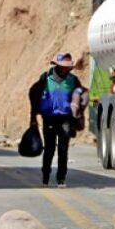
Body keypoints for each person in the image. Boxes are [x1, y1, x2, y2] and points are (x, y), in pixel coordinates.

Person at [29, 52, 83, 187]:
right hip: (49, 119)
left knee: (63, 150)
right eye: (63, 66)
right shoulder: (45, 78)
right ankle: (45, 177)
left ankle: (61, 179)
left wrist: (78, 118)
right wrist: (33, 117)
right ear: (57, 65)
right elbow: (35, 97)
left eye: (68, 67)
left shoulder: (73, 80)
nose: (66, 69)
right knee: (49, 149)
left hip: (66, 120)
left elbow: (79, 100)